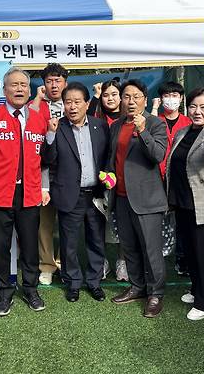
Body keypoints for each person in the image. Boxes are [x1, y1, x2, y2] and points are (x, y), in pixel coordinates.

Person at [0, 67, 51, 316]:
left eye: (23, 85)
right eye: (14, 85)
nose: (19, 89)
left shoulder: (38, 117)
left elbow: (44, 158)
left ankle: (30, 289)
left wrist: (44, 186)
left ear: (29, 90)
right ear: (4, 90)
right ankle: (4, 292)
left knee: (29, 246)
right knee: (1, 246)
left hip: (29, 193)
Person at [165, 88, 204, 321]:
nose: (197, 111)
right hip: (182, 201)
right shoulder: (183, 131)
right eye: (193, 106)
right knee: (191, 252)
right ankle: (195, 289)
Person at [43, 82, 109, 302]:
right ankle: (73, 283)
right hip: (70, 194)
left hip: (96, 195)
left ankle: (94, 281)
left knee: (96, 240)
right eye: (67, 102)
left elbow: (107, 157)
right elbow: (48, 159)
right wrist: (50, 136)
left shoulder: (100, 126)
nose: (72, 107)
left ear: (87, 103)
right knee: (69, 243)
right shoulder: (56, 127)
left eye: (77, 102)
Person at [108, 79, 168, 318]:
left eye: (136, 97)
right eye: (126, 97)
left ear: (145, 98)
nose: (131, 102)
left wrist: (142, 131)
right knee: (130, 247)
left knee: (151, 249)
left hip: (147, 199)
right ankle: (137, 286)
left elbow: (157, 155)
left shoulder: (155, 124)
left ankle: (156, 293)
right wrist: (108, 175)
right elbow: (112, 156)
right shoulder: (116, 125)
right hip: (121, 197)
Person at [30, 63, 67, 285]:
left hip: (68, 173)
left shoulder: (74, 103)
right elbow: (28, 120)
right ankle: (46, 265)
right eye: (49, 81)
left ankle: (64, 263)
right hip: (42, 172)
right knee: (44, 223)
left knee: (67, 222)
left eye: (58, 80)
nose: (53, 85)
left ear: (65, 82)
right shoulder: (37, 105)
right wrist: (37, 98)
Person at [87, 78, 128, 282]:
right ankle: (100, 262)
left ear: (121, 97)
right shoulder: (96, 118)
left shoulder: (127, 119)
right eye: (105, 95)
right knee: (98, 224)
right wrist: (95, 96)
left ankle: (122, 262)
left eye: (114, 94)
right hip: (99, 180)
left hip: (122, 180)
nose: (110, 98)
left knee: (122, 224)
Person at [151, 81, 192, 274]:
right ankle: (156, 257)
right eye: (167, 95)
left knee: (182, 220)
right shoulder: (154, 119)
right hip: (156, 177)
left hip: (180, 179)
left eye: (175, 95)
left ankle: (182, 259)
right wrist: (153, 108)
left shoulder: (189, 122)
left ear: (181, 98)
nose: (171, 98)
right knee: (156, 220)